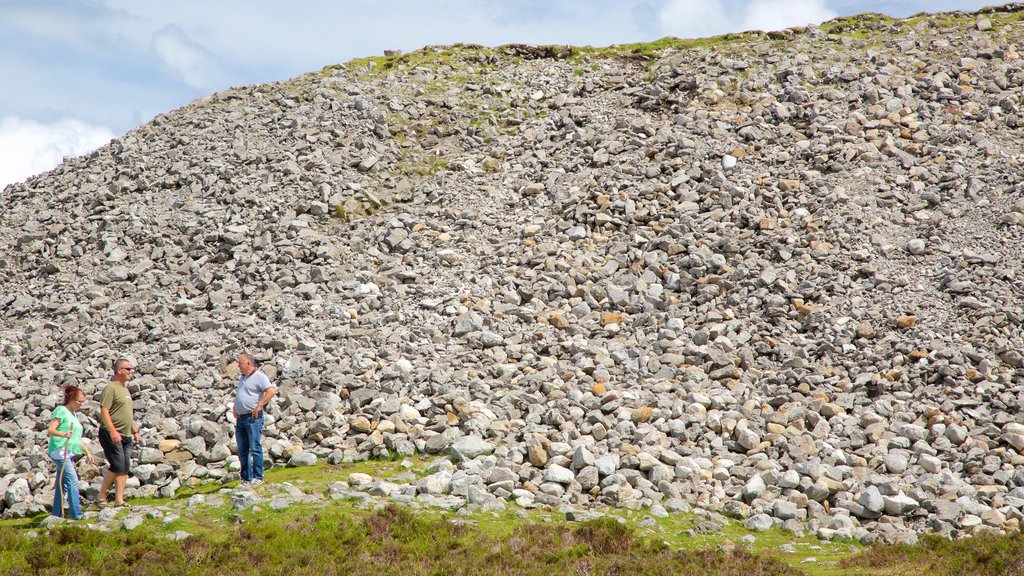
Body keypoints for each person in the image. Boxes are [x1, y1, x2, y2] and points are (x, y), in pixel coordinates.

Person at [97, 357, 141, 507]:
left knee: (124, 467)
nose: (131, 372)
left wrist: (134, 430)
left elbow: (126, 412)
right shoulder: (111, 388)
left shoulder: (125, 389)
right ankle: (101, 496)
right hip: (112, 434)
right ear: (119, 371)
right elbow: (104, 411)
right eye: (128, 369)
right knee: (117, 465)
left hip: (126, 434)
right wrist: (113, 431)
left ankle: (119, 500)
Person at [47, 385, 94, 519]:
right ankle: (76, 514)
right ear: (72, 399)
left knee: (62, 483)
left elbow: (77, 438)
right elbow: (51, 430)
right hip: (60, 452)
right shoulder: (61, 410)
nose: (81, 404)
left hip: (69, 453)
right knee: (72, 481)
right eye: (80, 401)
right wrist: (64, 434)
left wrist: (88, 453)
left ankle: (56, 513)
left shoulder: (73, 414)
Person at [233, 353, 276, 485]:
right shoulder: (243, 378)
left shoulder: (259, 377)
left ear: (248, 364)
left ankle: (258, 477)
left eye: (240, 363)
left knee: (255, 447)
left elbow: (270, 391)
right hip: (241, 418)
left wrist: (259, 405)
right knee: (242, 449)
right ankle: (246, 477)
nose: (238, 366)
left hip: (252, 418)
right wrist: (235, 407)